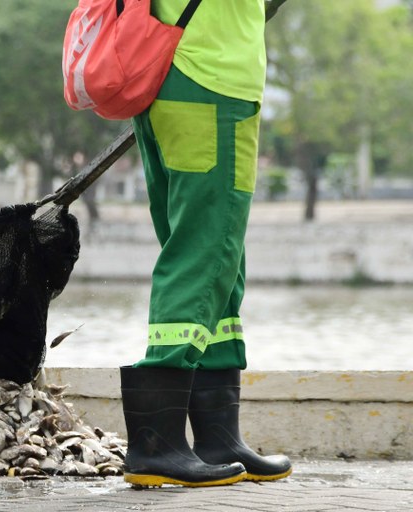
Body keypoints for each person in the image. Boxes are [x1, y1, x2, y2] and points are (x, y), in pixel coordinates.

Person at [120, 0, 292, 487]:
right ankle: (156, 446)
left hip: (169, 72)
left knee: (217, 257)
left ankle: (218, 436)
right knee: (206, 253)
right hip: (210, 76)